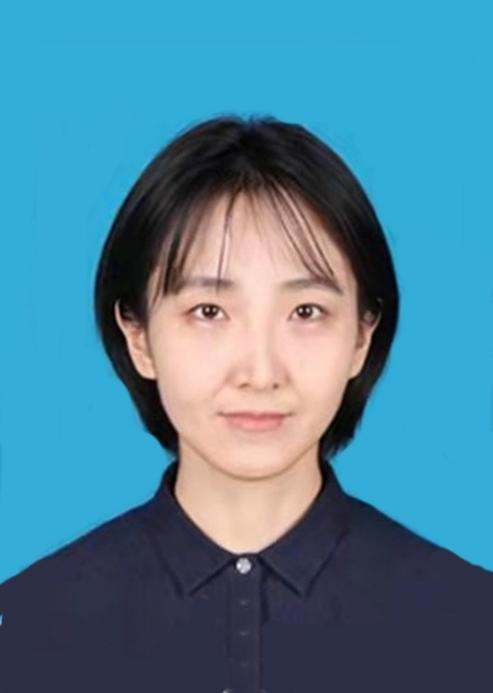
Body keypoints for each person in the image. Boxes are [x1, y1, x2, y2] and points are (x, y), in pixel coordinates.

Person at [1, 115, 491, 693]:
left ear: (363, 336)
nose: (260, 373)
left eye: (306, 312)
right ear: (139, 337)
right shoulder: (29, 625)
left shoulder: (472, 623)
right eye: (209, 311)